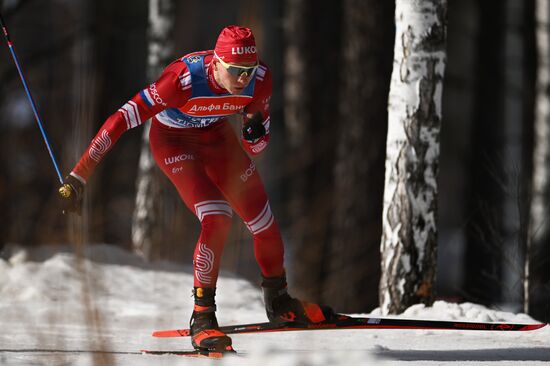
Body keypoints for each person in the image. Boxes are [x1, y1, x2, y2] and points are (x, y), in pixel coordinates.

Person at [58, 25, 335, 352]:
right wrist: (80, 175)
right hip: (174, 142)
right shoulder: (181, 81)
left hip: (216, 139)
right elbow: (123, 118)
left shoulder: (260, 79)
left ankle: (279, 301)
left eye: (249, 69)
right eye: (235, 70)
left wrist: (253, 130)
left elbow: (258, 146)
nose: (244, 78)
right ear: (216, 63)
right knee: (217, 218)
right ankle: (202, 317)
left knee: (264, 222)